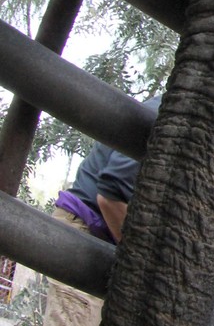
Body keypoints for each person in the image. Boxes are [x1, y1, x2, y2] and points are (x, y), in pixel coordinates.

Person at [42, 95, 160, 326]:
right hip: (87, 232)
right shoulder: (168, 115)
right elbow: (111, 194)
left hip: (112, 239)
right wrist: (141, 267)